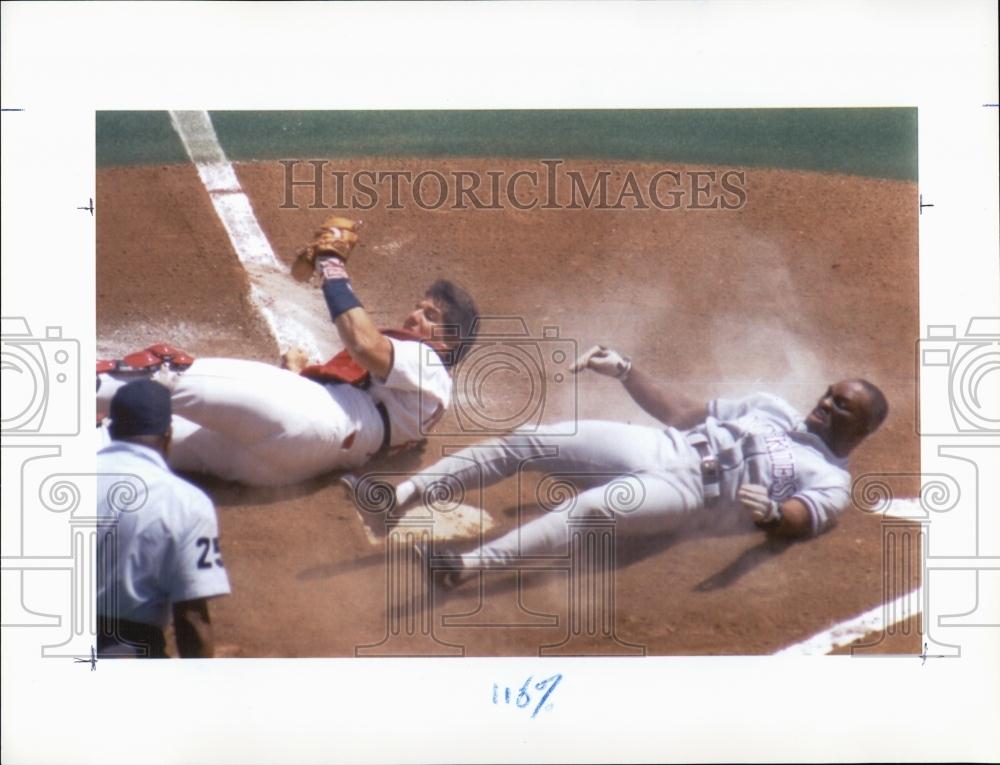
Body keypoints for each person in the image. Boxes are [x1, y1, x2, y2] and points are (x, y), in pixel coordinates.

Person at [393, 345, 889, 588]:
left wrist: (776, 517)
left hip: (690, 496)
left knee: (589, 510)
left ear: (861, 430)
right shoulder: (772, 408)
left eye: (841, 406)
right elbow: (683, 414)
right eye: (829, 394)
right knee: (531, 441)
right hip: (660, 446)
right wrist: (626, 371)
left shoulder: (831, 479)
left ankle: (465, 567)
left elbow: (804, 517)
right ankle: (400, 497)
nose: (825, 403)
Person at [96, 217, 479, 487]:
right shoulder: (421, 398)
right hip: (288, 466)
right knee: (135, 438)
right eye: (418, 306)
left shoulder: (431, 363)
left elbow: (363, 344)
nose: (414, 315)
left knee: (166, 372)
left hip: (312, 417)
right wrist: (298, 377)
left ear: (449, 343)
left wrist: (331, 264)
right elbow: (361, 406)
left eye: (430, 316)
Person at [96, 379, 231, 658]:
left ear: (111, 429)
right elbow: (191, 618)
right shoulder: (186, 502)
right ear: (168, 435)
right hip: (124, 656)